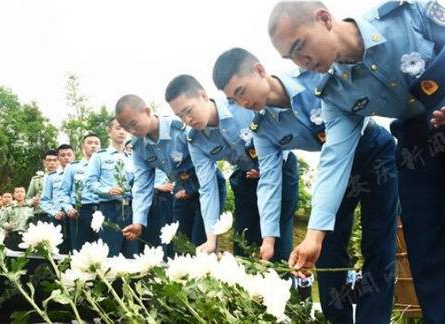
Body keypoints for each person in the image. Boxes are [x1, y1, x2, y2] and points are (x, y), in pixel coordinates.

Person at [268, 1, 445, 323]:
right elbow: (335, 158)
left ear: (324, 19)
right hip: (415, 134)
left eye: (300, 46)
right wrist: (315, 234)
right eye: (290, 57)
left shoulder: (406, 13)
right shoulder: (332, 90)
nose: (301, 61)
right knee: (422, 236)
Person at [213, 47, 397, 322]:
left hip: (373, 151)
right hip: (336, 169)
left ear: (259, 71)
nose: (242, 103)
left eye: (241, 91)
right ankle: (338, 319)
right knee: (327, 247)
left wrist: (314, 232)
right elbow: (269, 182)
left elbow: (337, 151)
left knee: (378, 242)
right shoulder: (261, 128)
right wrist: (269, 238)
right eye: (232, 99)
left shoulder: (313, 79)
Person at [115, 94, 226, 247]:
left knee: (202, 244)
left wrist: (191, 188)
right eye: (126, 128)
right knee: (182, 246)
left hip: (208, 187)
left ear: (147, 111)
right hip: (181, 193)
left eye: (133, 123)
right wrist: (138, 222)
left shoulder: (181, 129)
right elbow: (142, 185)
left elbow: (207, 163)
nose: (132, 130)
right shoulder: (138, 147)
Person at [165, 74, 258, 255]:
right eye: (180, 116)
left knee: (276, 247)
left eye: (189, 110)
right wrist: (211, 238)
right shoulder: (195, 140)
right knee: (244, 249)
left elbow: (276, 132)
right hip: (245, 176)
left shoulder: (240, 104)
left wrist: (267, 169)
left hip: (278, 170)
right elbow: (208, 188)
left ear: (203, 95)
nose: (188, 120)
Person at [86, 118, 139, 257]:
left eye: (125, 128)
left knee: (131, 254)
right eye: (118, 128)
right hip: (109, 209)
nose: (122, 132)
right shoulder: (99, 156)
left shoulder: (132, 157)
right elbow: (90, 183)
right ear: (109, 131)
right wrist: (107, 190)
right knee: (109, 253)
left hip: (130, 209)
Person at [60, 133, 102, 250]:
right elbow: (63, 192)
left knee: (101, 249)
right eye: (89, 143)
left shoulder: (105, 167)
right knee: (79, 249)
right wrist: (68, 208)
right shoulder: (73, 167)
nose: (93, 146)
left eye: (96, 143)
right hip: (80, 212)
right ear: (83, 146)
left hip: (102, 211)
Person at [41, 144, 75, 253]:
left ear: (74, 156)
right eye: (63, 155)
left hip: (76, 216)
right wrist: (54, 212)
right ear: (58, 158)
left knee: (76, 248)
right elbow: (44, 200)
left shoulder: (82, 173)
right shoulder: (52, 177)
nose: (66, 158)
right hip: (58, 218)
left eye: (69, 155)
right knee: (59, 250)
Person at [27, 150, 59, 224]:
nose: (52, 163)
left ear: (58, 161)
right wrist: (32, 202)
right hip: (40, 215)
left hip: (58, 214)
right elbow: (27, 199)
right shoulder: (36, 179)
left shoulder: (64, 177)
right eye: (49, 160)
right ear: (44, 162)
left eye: (55, 160)